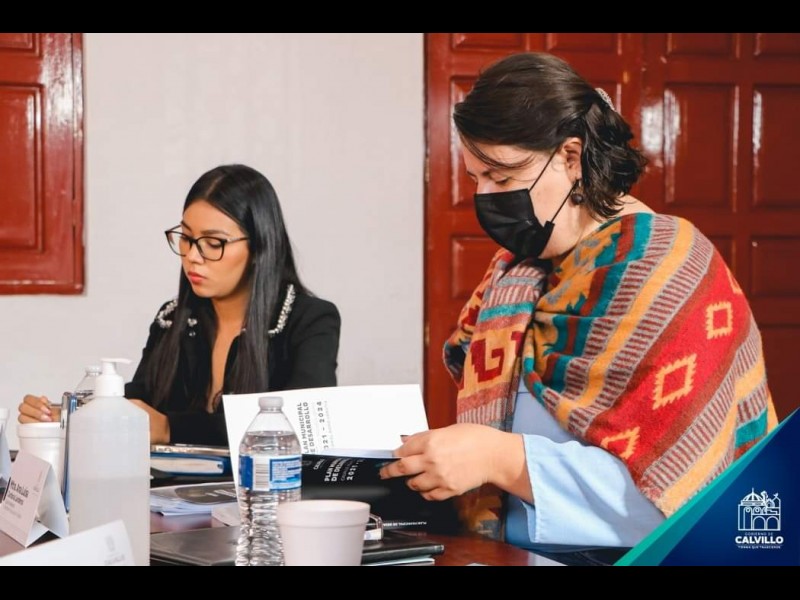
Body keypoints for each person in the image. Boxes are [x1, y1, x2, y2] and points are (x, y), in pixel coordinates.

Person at [380, 52, 777, 559]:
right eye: (476, 178)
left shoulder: (670, 270)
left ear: (571, 157)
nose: (485, 196)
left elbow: (681, 491)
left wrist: (501, 460)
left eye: (502, 177)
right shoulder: (517, 272)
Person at [19, 164, 340, 446]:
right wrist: (69, 415)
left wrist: (171, 428)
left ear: (259, 248)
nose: (192, 257)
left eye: (213, 243)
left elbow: (301, 424)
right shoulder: (173, 318)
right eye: (186, 238)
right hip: (171, 494)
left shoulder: (310, 320)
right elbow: (141, 400)